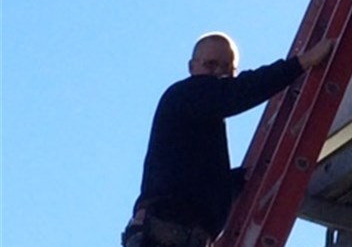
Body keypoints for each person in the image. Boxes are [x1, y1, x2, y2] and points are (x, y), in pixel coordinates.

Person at [121, 32, 333, 247]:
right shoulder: (184, 95)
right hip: (164, 231)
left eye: (227, 68)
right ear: (192, 67)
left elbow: (194, 181)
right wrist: (301, 63)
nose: (218, 73)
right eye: (210, 65)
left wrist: (237, 180)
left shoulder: (200, 121)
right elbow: (239, 91)